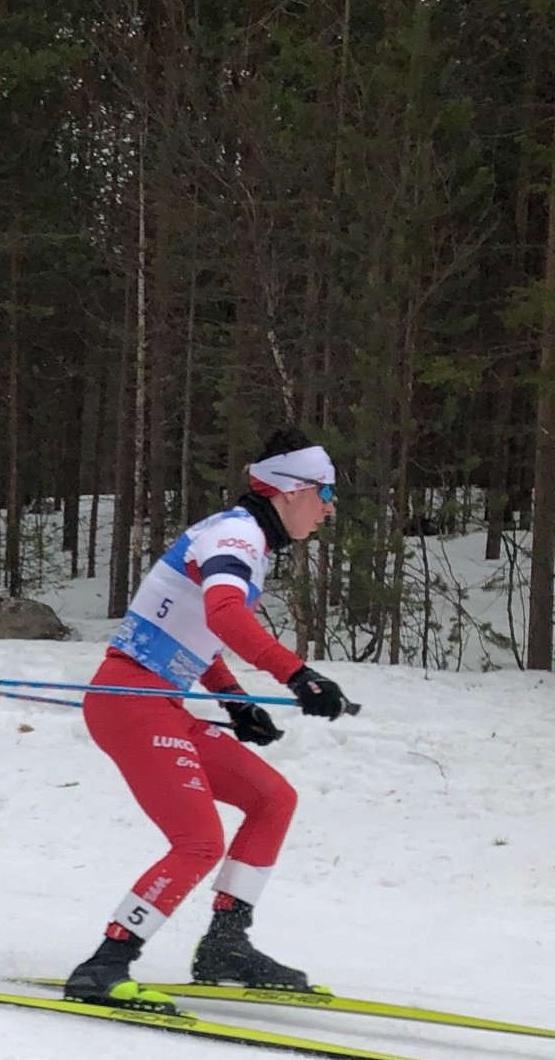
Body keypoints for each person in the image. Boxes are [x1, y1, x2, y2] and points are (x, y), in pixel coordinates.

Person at [61, 429, 355, 1007]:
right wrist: (298, 675)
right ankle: (104, 965)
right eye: (324, 492)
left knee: (272, 798)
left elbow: (192, 628)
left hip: (158, 698)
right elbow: (223, 615)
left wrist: (232, 698)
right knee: (198, 841)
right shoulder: (239, 536)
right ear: (290, 491)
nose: (329, 507)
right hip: (131, 701)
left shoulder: (236, 535)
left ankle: (226, 946)